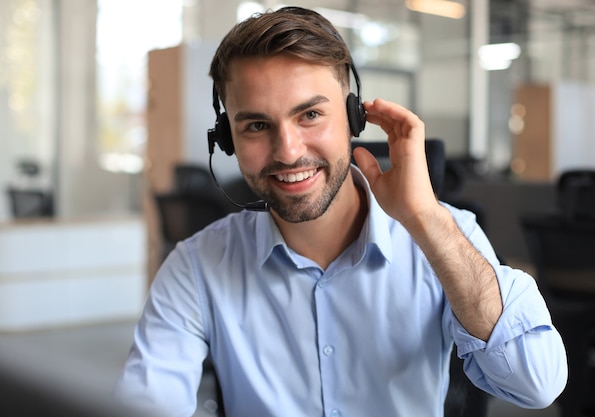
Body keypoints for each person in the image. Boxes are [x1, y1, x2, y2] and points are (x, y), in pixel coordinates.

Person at [115, 6, 567, 417]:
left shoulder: (447, 235)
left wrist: (427, 221)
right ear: (228, 140)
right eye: (256, 125)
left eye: (310, 115)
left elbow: (536, 384)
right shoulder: (196, 266)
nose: (288, 151)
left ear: (355, 117)